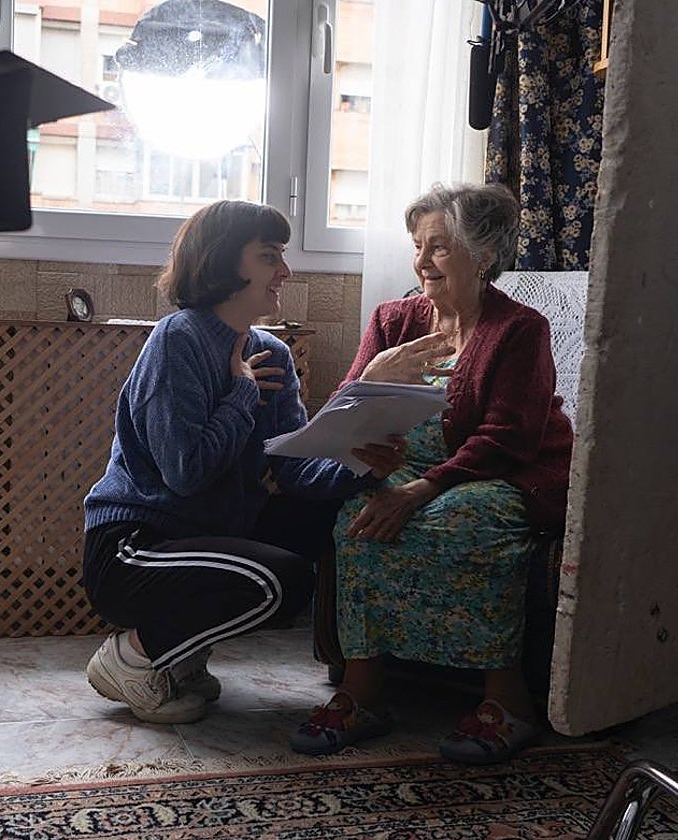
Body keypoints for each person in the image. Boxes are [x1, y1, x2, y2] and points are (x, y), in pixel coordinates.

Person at [82, 199, 404, 725]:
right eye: (269, 256)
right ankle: (133, 657)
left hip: (210, 532)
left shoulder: (271, 352)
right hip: (135, 548)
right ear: (224, 261)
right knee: (282, 582)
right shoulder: (177, 340)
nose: (285, 271)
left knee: (338, 517)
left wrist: (363, 465)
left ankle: (179, 657)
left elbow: (294, 468)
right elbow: (184, 475)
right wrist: (239, 393)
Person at [290, 182, 574, 764]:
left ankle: (508, 700)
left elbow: (509, 438)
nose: (421, 261)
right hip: (406, 470)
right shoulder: (393, 320)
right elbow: (343, 415)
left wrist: (422, 490)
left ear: (482, 254)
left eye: (439, 247)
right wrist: (374, 369)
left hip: (499, 474)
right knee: (355, 518)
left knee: (466, 522)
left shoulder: (520, 330)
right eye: (418, 246)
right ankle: (363, 691)